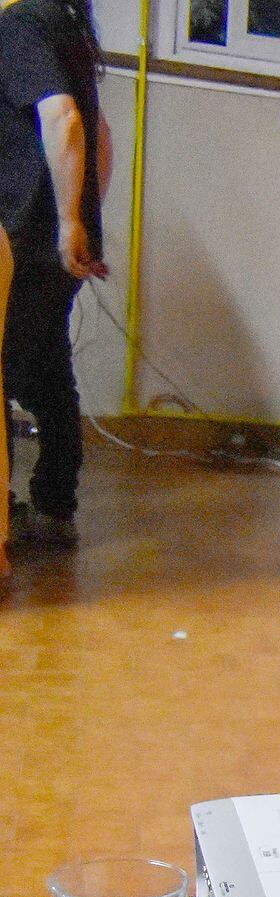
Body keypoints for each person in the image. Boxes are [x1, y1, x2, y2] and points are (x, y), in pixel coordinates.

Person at [0, 0, 106, 549]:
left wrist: (70, 222)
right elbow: (100, 136)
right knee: (46, 367)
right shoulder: (63, 24)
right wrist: (82, 220)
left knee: (4, 372)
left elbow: (63, 117)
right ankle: (55, 498)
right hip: (52, 244)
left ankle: (4, 510)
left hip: (25, 241)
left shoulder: (19, 24)